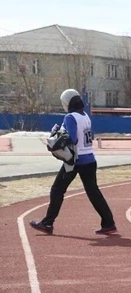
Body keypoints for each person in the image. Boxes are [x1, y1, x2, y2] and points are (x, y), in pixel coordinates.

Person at [29, 89, 117, 236]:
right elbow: (89, 136)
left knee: (57, 189)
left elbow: (73, 139)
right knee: (93, 192)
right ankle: (108, 222)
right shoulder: (85, 116)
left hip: (76, 161)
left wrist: (57, 134)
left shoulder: (70, 117)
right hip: (89, 159)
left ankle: (48, 223)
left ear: (67, 102)